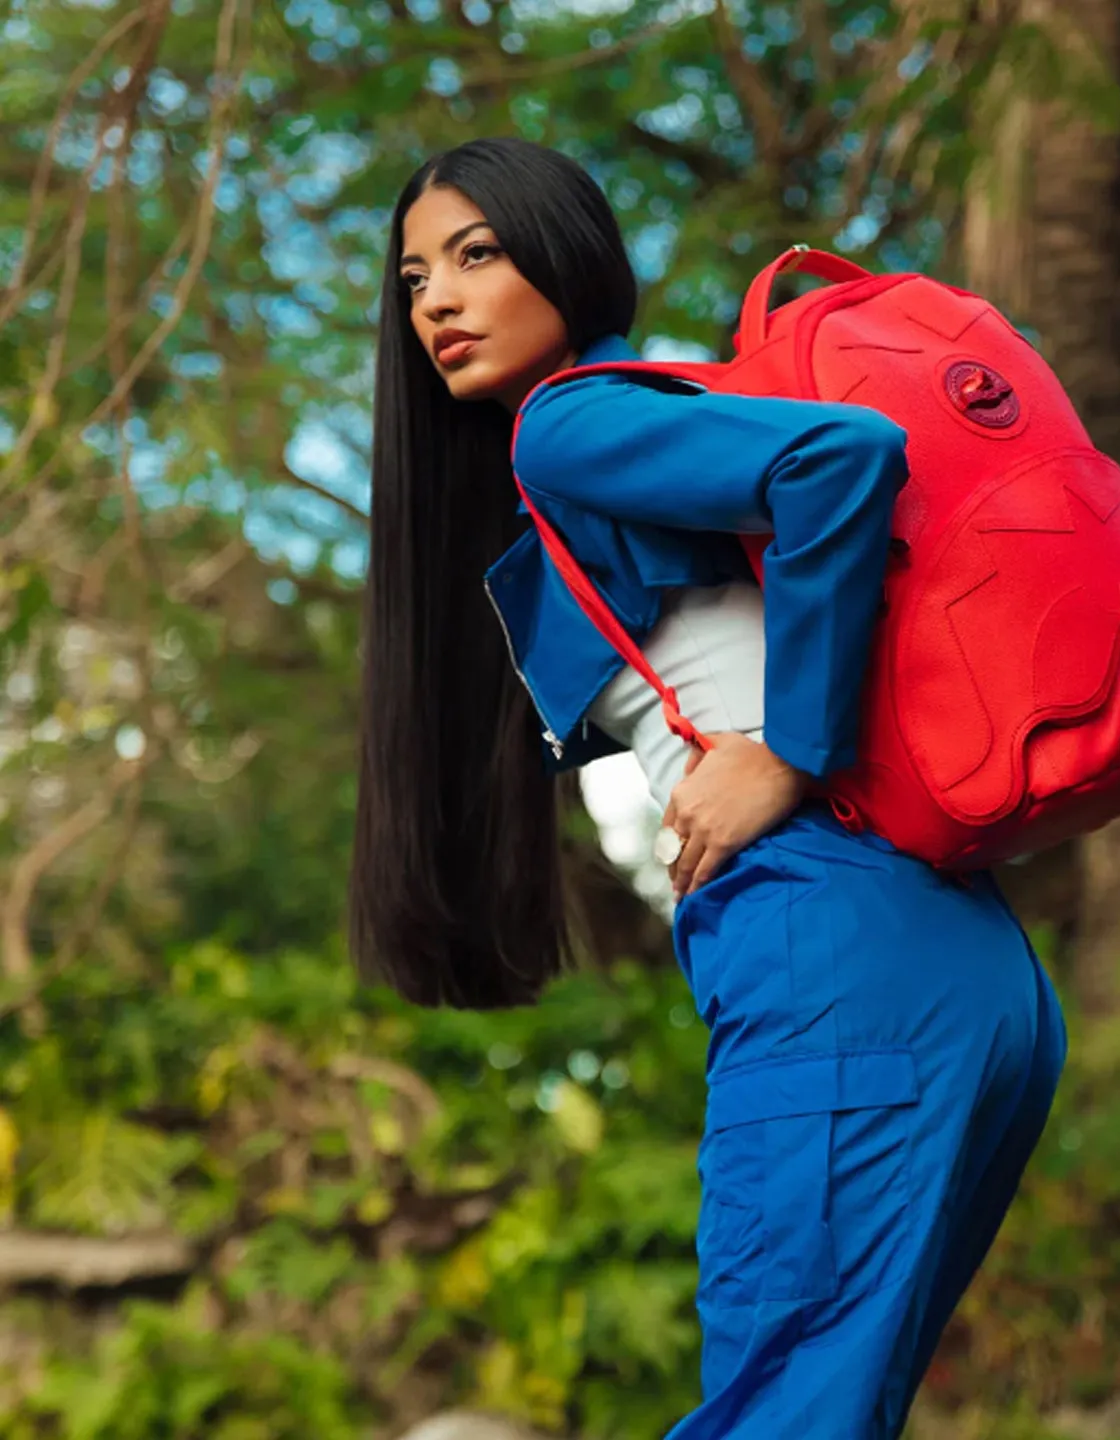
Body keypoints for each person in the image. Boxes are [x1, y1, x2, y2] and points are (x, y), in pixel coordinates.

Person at [349, 136, 1067, 1440]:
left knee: (775, 1416)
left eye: (475, 254)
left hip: (831, 938)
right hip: (960, 961)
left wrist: (787, 748)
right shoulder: (606, 444)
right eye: (412, 278)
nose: (436, 302)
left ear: (560, 257)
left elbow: (838, 461)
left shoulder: (568, 420)